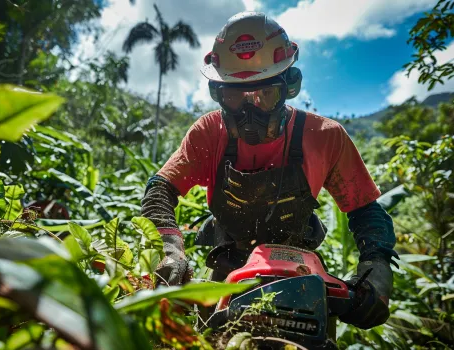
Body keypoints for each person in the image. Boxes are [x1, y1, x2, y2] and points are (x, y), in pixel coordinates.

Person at [140, 11, 398, 330]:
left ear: (288, 86)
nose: (250, 110)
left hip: (301, 272)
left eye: (265, 94)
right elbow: (161, 189)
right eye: (234, 97)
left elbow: (366, 211)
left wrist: (376, 268)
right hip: (228, 268)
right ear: (218, 93)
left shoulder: (324, 136)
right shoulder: (209, 132)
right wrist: (169, 246)